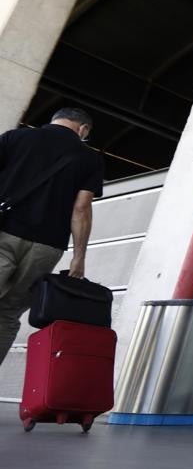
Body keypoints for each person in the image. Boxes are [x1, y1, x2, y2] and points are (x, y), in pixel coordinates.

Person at [0, 108, 103, 365]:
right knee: (8, 314)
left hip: (4, 233)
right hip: (46, 246)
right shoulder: (90, 158)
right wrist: (79, 257)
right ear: (83, 129)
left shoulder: (16, 138)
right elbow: (81, 209)